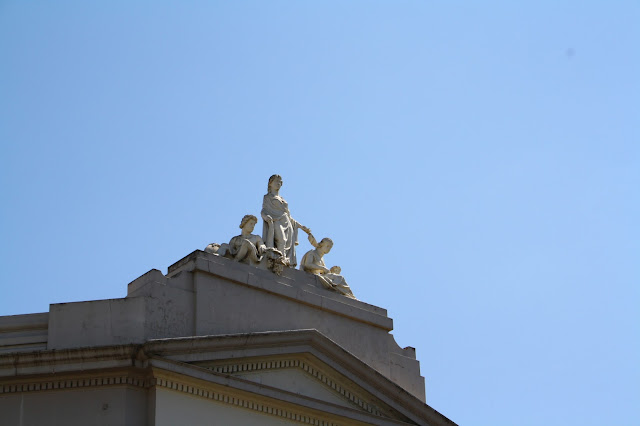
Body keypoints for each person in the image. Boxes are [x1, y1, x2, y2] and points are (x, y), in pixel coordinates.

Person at [261, 174, 310, 267]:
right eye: (276, 181)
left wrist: (302, 227)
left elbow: (289, 217)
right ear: (270, 184)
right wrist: (266, 217)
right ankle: (279, 260)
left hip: (286, 222)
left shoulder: (283, 199)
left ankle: (285, 262)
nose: (278, 184)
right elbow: (263, 211)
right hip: (275, 220)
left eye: (280, 182)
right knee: (281, 239)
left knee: (288, 244)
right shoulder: (267, 197)